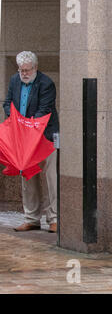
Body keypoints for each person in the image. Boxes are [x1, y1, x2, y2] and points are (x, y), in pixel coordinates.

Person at [3, 51, 59, 233]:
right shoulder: (14, 80)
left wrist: (26, 125)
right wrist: (14, 118)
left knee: (51, 177)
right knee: (27, 176)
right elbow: (8, 103)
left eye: (27, 70)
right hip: (24, 137)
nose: (24, 73)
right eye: (21, 70)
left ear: (35, 68)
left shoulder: (46, 83)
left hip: (45, 137)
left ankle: (54, 218)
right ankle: (31, 218)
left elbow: (45, 109)